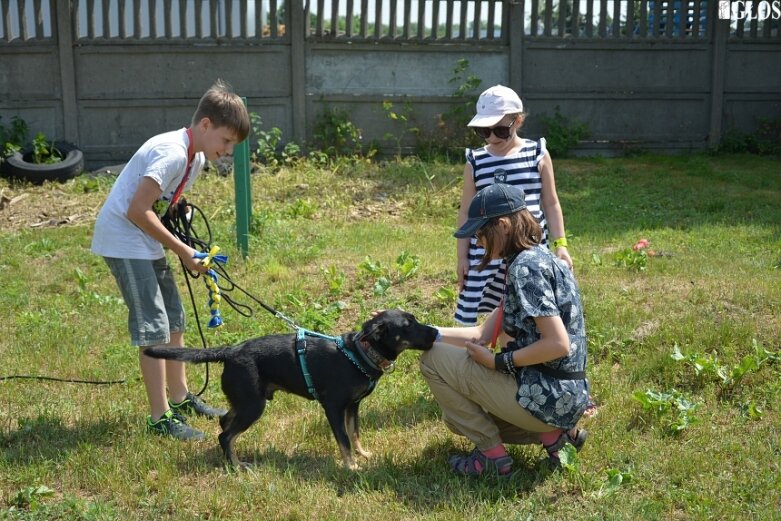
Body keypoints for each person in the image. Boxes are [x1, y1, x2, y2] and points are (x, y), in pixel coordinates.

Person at [91, 79, 250, 440]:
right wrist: (183, 250)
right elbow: (137, 209)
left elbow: (164, 202)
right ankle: (159, 417)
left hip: (144, 240)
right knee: (153, 328)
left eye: (232, 146)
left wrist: (182, 218)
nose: (227, 151)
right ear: (205, 125)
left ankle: (179, 397)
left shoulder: (194, 159)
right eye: (226, 141)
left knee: (173, 318)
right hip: (124, 241)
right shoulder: (173, 152)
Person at [421, 183, 589, 476]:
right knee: (455, 420)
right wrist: (417, 331)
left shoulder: (525, 269)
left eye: (480, 233)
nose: (478, 242)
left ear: (502, 225)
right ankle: (554, 438)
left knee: (431, 360)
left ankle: (492, 458)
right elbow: (481, 336)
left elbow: (558, 344)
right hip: (564, 398)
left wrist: (499, 362)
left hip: (546, 397)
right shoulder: (541, 258)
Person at [455, 84, 572, 326]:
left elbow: (550, 203)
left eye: (499, 130)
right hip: (486, 251)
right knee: (477, 310)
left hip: (527, 248)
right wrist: (462, 257)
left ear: (518, 121)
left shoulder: (536, 153)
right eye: (483, 131)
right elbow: (466, 210)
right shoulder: (475, 160)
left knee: (529, 305)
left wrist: (561, 245)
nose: (492, 137)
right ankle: (476, 351)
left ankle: (518, 351)